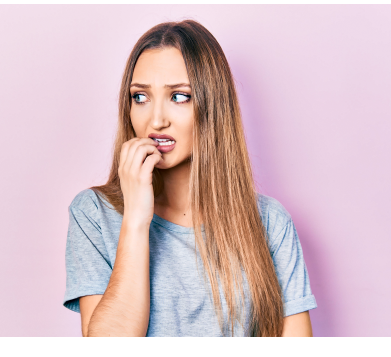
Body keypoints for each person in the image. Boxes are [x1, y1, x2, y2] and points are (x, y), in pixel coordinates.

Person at [64, 20, 317, 336]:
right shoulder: (94, 213)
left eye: (179, 96)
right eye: (140, 97)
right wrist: (135, 220)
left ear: (213, 106)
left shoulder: (269, 222)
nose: (156, 119)